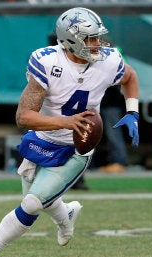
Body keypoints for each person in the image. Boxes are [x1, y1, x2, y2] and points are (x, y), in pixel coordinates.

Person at [0, 7, 140, 257]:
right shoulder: (47, 62)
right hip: (42, 138)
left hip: (76, 148)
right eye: (90, 39)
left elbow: (129, 77)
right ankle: (65, 215)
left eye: (97, 37)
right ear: (71, 40)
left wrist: (133, 111)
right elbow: (23, 117)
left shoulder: (108, 60)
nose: (98, 45)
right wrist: (66, 122)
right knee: (38, 201)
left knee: (33, 204)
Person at [47, 31, 89, 190]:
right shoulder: (51, 60)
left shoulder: (66, 60)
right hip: (63, 110)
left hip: (66, 109)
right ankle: (74, 180)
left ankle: (75, 180)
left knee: (73, 144)